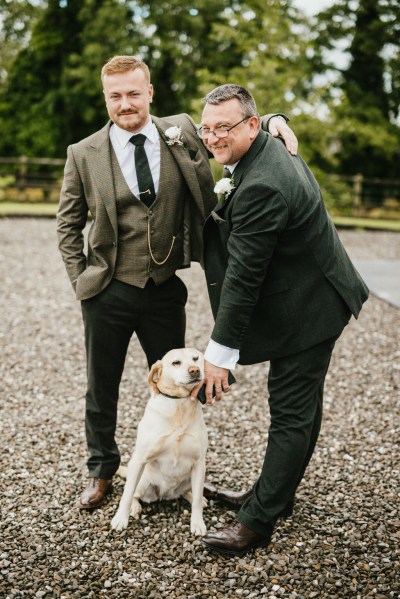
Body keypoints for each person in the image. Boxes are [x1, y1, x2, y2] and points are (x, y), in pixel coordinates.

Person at [56, 55, 297, 510]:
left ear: (150, 93)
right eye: (115, 95)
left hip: (166, 287)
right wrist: (82, 280)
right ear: (105, 98)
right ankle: (102, 469)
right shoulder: (82, 153)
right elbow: (67, 226)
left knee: (184, 383)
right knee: (100, 383)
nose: (125, 103)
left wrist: (273, 120)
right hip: (108, 290)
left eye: (133, 93)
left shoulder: (182, 130)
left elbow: (227, 129)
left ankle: (185, 470)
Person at [194, 84, 369, 556]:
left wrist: (219, 355)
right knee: (303, 406)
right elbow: (254, 121)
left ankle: (258, 519)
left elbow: (244, 280)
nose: (212, 138)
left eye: (223, 128)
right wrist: (275, 116)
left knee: (290, 412)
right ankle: (275, 493)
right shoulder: (267, 139)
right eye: (207, 127)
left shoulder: (263, 185)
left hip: (311, 307)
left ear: (250, 126)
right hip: (316, 289)